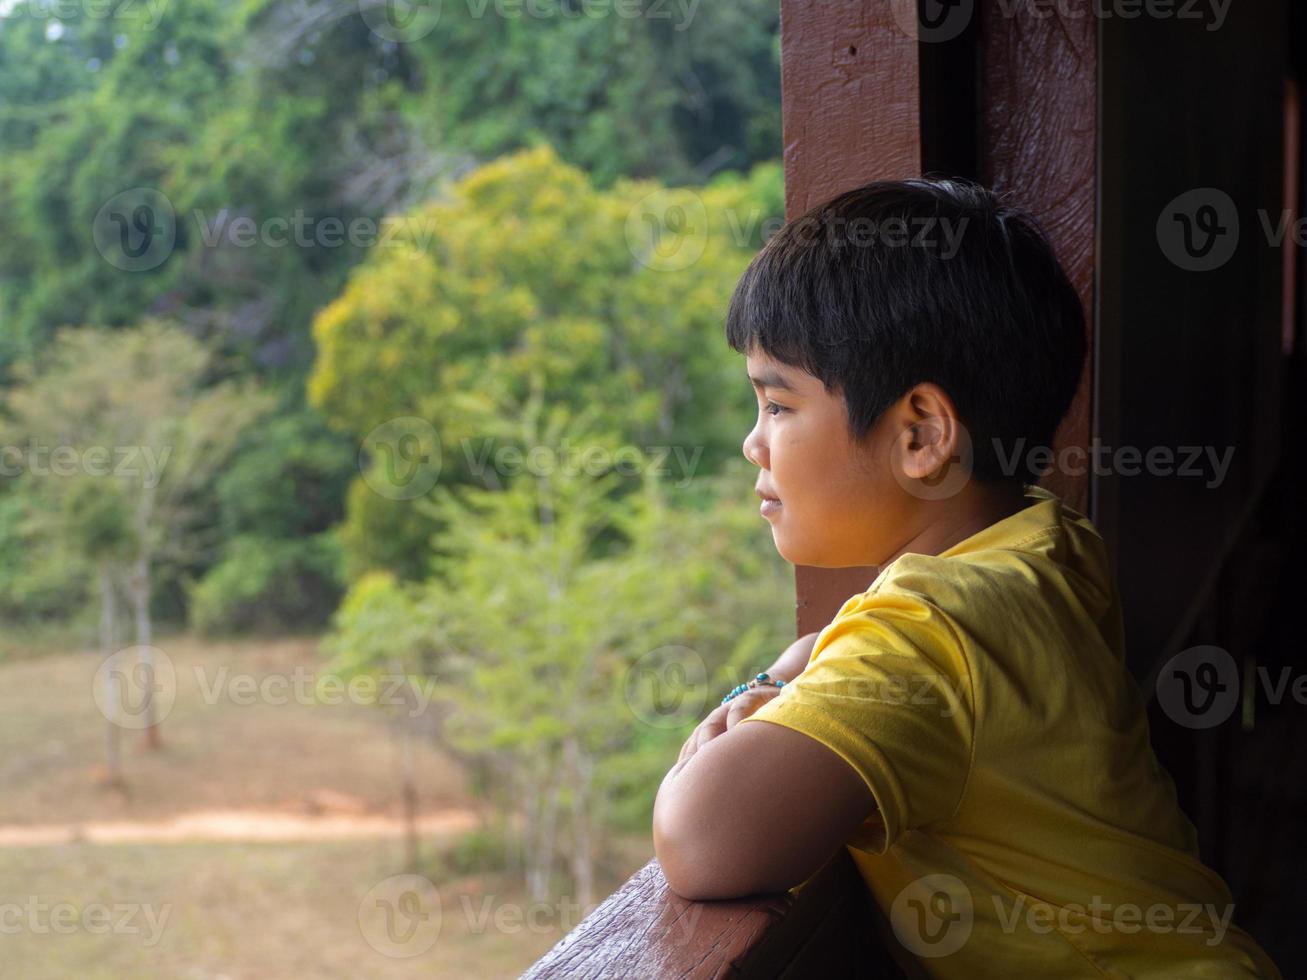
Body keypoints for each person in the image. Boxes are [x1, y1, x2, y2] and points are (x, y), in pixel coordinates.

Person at [651, 178, 1281, 978]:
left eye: (776, 405)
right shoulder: (1046, 545)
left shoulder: (922, 631)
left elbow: (704, 842)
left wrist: (735, 707)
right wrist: (806, 658)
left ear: (921, 435)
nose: (753, 444)